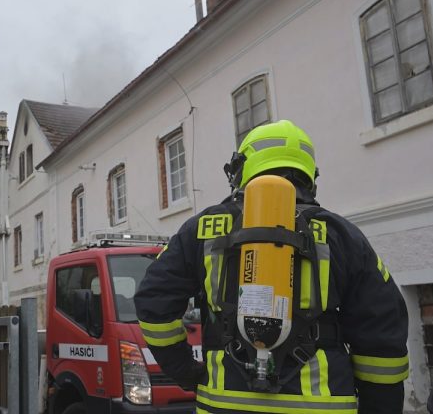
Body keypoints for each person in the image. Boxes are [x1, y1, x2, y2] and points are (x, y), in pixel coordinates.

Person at [134, 120, 409, 414]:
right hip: (322, 405)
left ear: (241, 170)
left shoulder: (201, 230)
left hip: (225, 404)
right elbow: (383, 335)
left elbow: (153, 303)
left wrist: (186, 370)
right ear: (309, 176)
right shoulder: (341, 235)